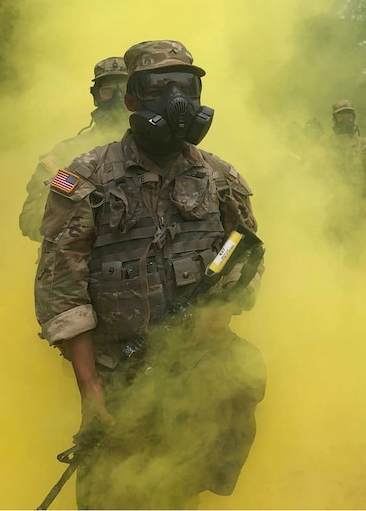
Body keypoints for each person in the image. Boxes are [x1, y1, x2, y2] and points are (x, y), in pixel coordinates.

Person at [34, 41, 266, 508]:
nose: (176, 100)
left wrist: (218, 312)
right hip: (121, 371)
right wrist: (91, 389)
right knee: (114, 489)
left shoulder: (219, 176)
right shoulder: (88, 175)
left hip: (194, 369)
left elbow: (246, 256)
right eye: (158, 87)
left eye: (187, 86)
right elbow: (60, 287)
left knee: (180, 485)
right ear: (132, 99)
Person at [19, 57, 129, 240]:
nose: (118, 99)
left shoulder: (159, 150)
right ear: (96, 98)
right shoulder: (67, 154)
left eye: (124, 91)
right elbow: (30, 220)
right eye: (108, 91)